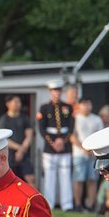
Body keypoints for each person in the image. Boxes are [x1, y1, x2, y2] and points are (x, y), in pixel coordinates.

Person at [36, 79, 74, 210]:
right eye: (54, 90)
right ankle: (49, 204)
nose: (56, 93)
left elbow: (71, 127)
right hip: (50, 147)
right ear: (50, 91)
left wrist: (63, 140)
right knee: (49, 177)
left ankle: (67, 204)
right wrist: (53, 143)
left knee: (65, 175)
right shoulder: (44, 107)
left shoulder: (68, 107)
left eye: (58, 90)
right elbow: (42, 129)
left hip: (65, 145)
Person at [70, 99, 104, 211]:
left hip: (93, 154)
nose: (86, 106)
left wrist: (92, 149)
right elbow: (72, 136)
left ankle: (90, 204)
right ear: (79, 106)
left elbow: (101, 136)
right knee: (78, 179)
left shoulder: (97, 119)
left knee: (92, 179)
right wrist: (82, 147)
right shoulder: (75, 118)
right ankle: (78, 204)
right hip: (79, 153)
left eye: (88, 104)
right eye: (84, 104)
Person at [0, 95, 34, 186]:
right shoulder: (3, 120)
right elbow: (4, 139)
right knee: (9, 180)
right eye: (15, 102)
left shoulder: (25, 118)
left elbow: (29, 135)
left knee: (31, 178)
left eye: (19, 102)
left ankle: (34, 199)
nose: (18, 104)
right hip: (9, 155)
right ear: (8, 104)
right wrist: (19, 149)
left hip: (24, 154)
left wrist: (21, 150)